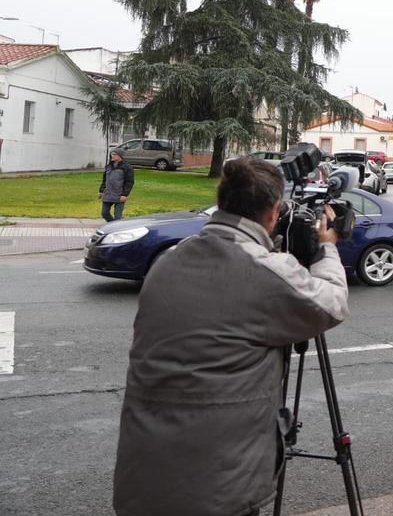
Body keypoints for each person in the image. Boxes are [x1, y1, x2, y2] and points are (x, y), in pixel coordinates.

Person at [112, 158, 350, 516]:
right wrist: (326, 246)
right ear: (273, 212)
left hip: (142, 479)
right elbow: (331, 304)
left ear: (222, 202)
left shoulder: (169, 261)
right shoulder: (266, 270)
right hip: (218, 493)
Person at [98, 148, 134, 221]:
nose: (112, 156)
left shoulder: (127, 167)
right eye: (112, 154)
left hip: (119, 195)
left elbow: (129, 182)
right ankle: (114, 226)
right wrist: (101, 191)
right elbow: (105, 180)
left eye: (114, 154)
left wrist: (124, 194)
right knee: (104, 213)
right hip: (108, 194)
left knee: (118, 217)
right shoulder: (109, 167)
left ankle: (116, 227)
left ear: (120, 156)